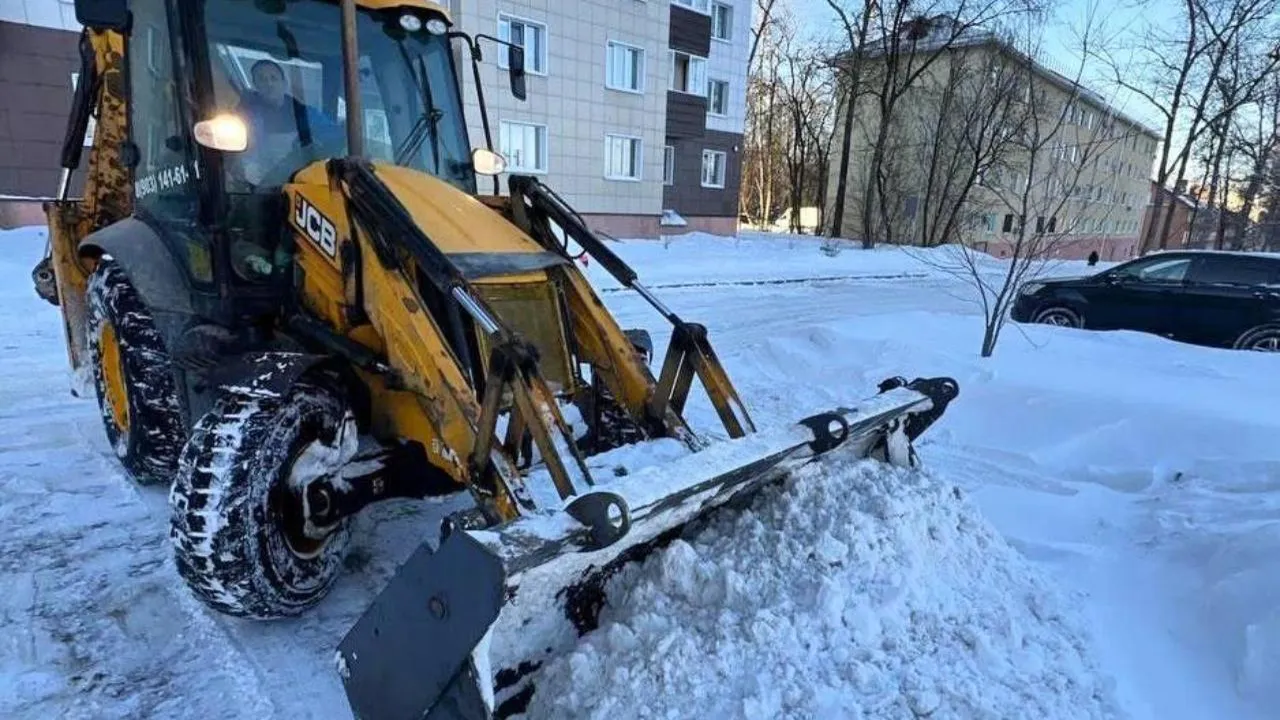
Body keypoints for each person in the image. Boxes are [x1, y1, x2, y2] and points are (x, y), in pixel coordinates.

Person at [234, 59, 340, 185]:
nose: (269, 84)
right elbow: (239, 155)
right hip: (261, 185)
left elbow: (335, 137)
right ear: (255, 86)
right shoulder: (245, 118)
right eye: (262, 80)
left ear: (284, 83)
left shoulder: (305, 114)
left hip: (302, 182)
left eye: (274, 78)